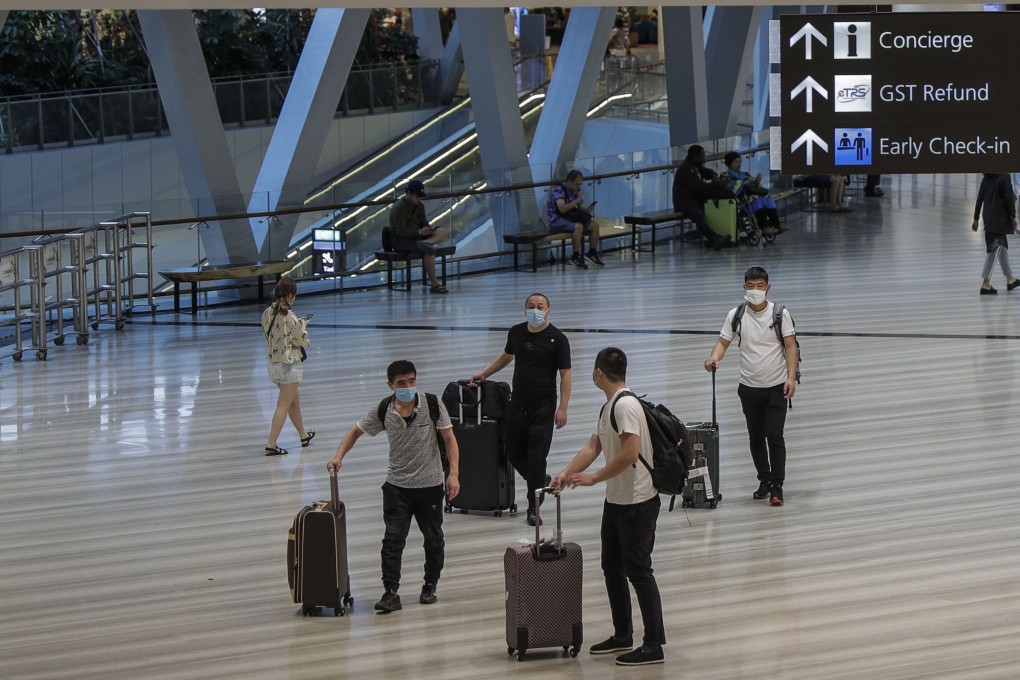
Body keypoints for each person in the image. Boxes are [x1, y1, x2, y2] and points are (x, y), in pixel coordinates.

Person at [551, 347, 665, 667]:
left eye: (593, 369)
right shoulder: (609, 407)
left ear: (599, 372)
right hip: (616, 501)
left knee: (639, 572)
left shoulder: (626, 405)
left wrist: (594, 478)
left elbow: (630, 454)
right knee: (611, 567)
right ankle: (622, 633)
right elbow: (593, 445)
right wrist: (565, 473)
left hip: (637, 502)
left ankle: (654, 644)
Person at [327, 360, 460, 613]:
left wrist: (453, 474)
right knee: (392, 540)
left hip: (430, 485)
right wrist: (338, 457)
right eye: (401, 383)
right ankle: (390, 592)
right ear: (391, 385)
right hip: (396, 486)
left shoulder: (432, 404)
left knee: (433, 539)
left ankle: (429, 586)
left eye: (411, 381)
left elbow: (450, 439)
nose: (408, 387)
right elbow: (355, 431)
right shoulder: (384, 410)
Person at [470, 293, 572, 526]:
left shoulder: (557, 338)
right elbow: (507, 356)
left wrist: (563, 408)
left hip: (544, 407)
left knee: (537, 456)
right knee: (514, 452)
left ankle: (533, 507)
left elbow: (566, 374)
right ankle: (541, 480)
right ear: (525, 309)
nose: (535, 310)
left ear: (548, 311)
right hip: (517, 404)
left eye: (540, 306)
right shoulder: (516, 332)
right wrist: (484, 373)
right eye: (531, 306)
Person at [705, 266, 797, 506]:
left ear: (768, 287)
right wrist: (714, 357)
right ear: (744, 287)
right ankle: (764, 480)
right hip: (748, 387)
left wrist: (790, 377)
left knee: (775, 436)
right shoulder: (736, 315)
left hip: (777, 386)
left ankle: (777, 485)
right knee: (755, 437)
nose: (755, 290)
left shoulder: (780, 314)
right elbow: (723, 342)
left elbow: (790, 346)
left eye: (759, 286)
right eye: (750, 286)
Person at [261, 277, 313, 456]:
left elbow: (268, 335)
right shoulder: (289, 317)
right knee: (283, 405)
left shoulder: (267, 313)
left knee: (293, 402)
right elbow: (301, 340)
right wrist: (303, 326)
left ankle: (303, 435)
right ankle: (271, 444)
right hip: (290, 367)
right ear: (291, 295)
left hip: (274, 365)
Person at [390, 179, 449, 294]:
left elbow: (424, 223)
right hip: (401, 240)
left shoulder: (419, 206)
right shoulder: (399, 208)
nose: (419, 199)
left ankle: (427, 242)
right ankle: (435, 284)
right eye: (417, 196)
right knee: (429, 251)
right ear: (409, 193)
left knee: (443, 231)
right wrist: (419, 232)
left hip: (418, 238)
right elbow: (401, 232)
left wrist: (429, 230)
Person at [672, 144, 732, 251]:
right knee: (699, 216)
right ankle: (714, 239)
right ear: (695, 157)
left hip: (694, 200)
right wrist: (717, 184)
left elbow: (706, 172)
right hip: (684, 202)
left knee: (712, 207)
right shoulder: (686, 168)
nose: (704, 159)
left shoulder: (695, 166)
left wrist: (713, 175)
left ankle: (717, 237)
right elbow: (699, 187)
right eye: (702, 156)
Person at [972, 173, 1019, 295]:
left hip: (989, 218)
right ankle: (985, 283)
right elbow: (1009, 198)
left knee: (1002, 247)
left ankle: (1010, 279)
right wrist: (1013, 217)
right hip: (1000, 219)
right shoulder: (1004, 177)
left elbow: (979, 199)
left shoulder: (986, 178)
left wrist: (976, 218)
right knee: (993, 250)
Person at [547, 169, 603, 269]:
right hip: (556, 219)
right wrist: (577, 200)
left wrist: (589, 209)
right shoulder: (559, 191)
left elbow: (582, 208)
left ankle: (592, 253)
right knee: (578, 227)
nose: (578, 187)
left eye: (580, 184)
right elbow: (562, 209)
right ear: (569, 181)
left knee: (594, 225)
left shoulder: (575, 191)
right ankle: (575, 256)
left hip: (569, 218)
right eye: (577, 184)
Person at [722, 151, 784, 236]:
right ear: (729, 163)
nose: (739, 164)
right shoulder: (726, 175)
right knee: (758, 201)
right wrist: (744, 183)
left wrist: (755, 182)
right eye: (736, 162)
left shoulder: (744, 174)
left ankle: (777, 225)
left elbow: (752, 187)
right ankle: (764, 228)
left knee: (768, 200)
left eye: (740, 161)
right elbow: (731, 190)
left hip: (750, 199)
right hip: (741, 202)